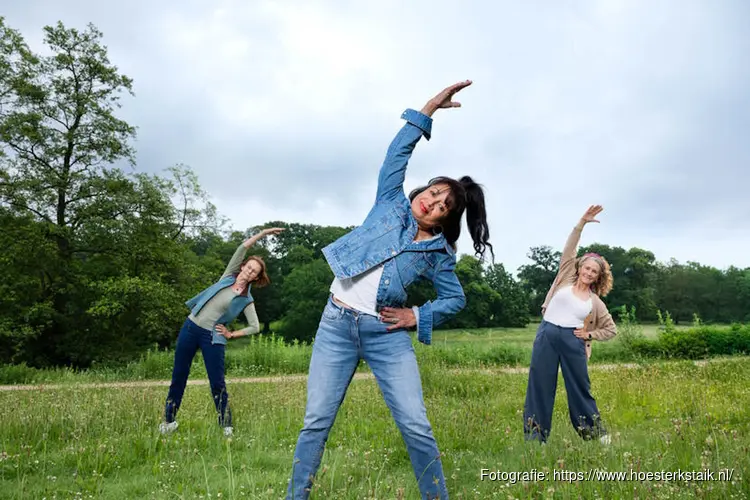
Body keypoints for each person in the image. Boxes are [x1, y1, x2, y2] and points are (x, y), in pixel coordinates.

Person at [286, 80, 492, 500]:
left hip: (386, 335)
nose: (432, 204)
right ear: (423, 190)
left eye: (442, 208)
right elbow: (396, 153)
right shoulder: (390, 203)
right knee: (316, 421)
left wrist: (416, 316)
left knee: (415, 424)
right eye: (433, 194)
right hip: (335, 325)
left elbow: (455, 298)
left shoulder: (438, 253)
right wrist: (428, 109)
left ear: (443, 221)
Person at [159, 227, 284, 437]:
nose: (249, 271)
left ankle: (226, 425)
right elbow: (242, 247)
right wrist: (263, 234)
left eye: (254, 271)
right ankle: (169, 421)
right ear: (242, 266)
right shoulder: (227, 277)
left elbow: (255, 327)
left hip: (212, 337)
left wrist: (231, 334)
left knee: (217, 382)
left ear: (255, 277)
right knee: (179, 376)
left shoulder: (246, 300)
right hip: (190, 327)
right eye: (248, 267)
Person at [522, 205, 616, 444]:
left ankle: (595, 435)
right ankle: (535, 439)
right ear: (580, 267)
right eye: (587, 268)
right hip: (547, 334)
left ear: (598, 277)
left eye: (594, 272)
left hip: (573, 340)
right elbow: (570, 246)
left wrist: (589, 335)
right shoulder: (565, 276)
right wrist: (582, 222)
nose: (589, 273)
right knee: (540, 385)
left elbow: (610, 329)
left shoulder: (595, 302)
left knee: (579, 388)